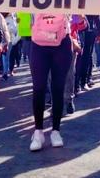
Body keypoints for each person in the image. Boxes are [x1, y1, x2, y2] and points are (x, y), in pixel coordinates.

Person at [28, 13, 75, 151]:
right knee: (38, 87)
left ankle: (56, 131)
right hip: (38, 43)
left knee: (58, 88)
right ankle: (38, 131)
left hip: (62, 41)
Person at [75, 15, 100, 90]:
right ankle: (76, 84)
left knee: (87, 57)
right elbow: (72, 18)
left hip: (89, 32)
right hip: (77, 30)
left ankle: (84, 81)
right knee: (78, 58)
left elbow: (96, 16)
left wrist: (99, 32)